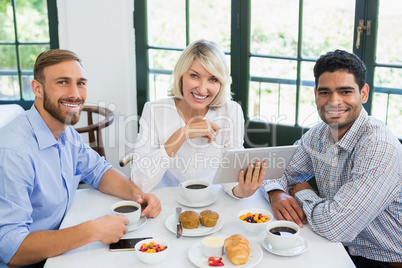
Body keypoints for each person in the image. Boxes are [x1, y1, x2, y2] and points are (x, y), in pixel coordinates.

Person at [0, 49, 161, 268]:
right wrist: (92, 230)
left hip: (63, 245)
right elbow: (11, 250)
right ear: (37, 88)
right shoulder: (13, 151)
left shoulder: (65, 132)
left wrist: (138, 196)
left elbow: (99, 171)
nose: (75, 94)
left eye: (81, 83)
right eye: (63, 82)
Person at [263, 50, 402, 268]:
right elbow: (278, 170)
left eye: (345, 91)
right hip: (339, 247)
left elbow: (336, 226)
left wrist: (303, 192)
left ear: (363, 93)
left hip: (384, 259)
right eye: (325, 92)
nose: (334, 101)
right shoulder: (319, 134)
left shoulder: (378, 145)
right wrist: (276, 192)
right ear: (316, 94)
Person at [131, 39, 266, 198]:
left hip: (213, 201)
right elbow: (140, 182)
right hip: (166, 204)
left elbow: (231, 176)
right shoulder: (154, 111)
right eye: (194, 76)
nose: (202, 89)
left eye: (213, 79)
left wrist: (242, 191)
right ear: (181, 75)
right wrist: (182, 134)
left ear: (221, 83)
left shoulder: (231, 111)